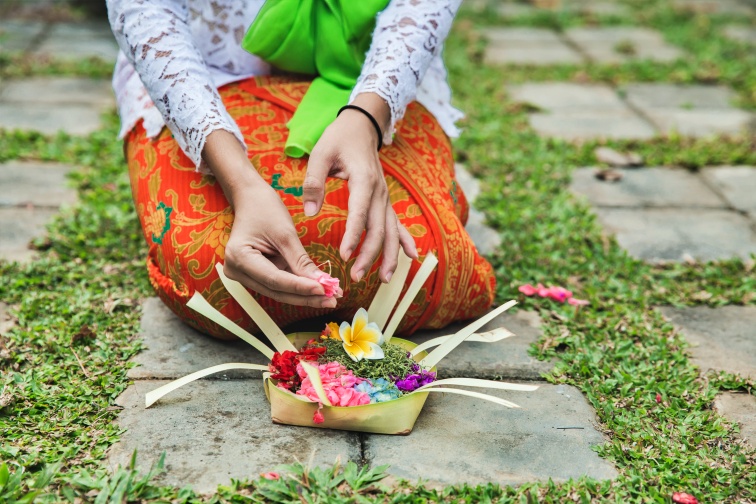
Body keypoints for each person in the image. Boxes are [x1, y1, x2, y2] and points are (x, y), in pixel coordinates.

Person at [106, 0, 496, 339]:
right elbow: (144, 10)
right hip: (208, 73)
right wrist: (242, 185)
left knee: (421, 263)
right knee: (214, 267)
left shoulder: (375, 99)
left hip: (373, 74)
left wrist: (367, 117)